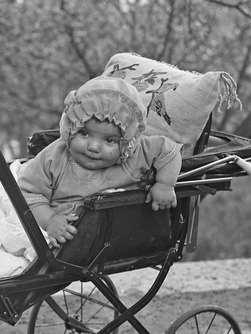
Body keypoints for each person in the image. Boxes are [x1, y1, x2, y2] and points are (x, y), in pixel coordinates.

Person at [17, 76, 181, 248]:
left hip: (115, 236)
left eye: (110, 140)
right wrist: (49, 220)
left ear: (127, 142)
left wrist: (165, 184)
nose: (94, 147)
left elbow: (169, 151)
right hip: (67, 235)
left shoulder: (137, 152)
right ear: (70, 128)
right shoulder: (54, 157)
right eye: (84, 133)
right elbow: (28, 193)